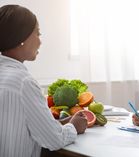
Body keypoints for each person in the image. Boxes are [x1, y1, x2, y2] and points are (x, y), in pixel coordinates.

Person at [0, 4, 87, 157]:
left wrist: (59, 124)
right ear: (22, 37)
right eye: (37, 33)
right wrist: (73, 126)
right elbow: (54, 140)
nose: (40, 42)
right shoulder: (23, 82)